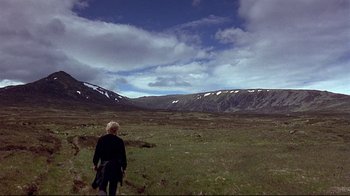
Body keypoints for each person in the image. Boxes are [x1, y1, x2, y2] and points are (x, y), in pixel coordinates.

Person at [92, 121, 127, 196]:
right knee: (113, 187)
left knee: (102, 186)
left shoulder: (102, 139)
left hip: (104, 166)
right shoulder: (119, 141)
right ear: (116, 130)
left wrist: (95, 164)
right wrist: (124, 168)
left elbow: (97, 153)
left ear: (108, 129)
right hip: (115, 167)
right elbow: (123, 156)